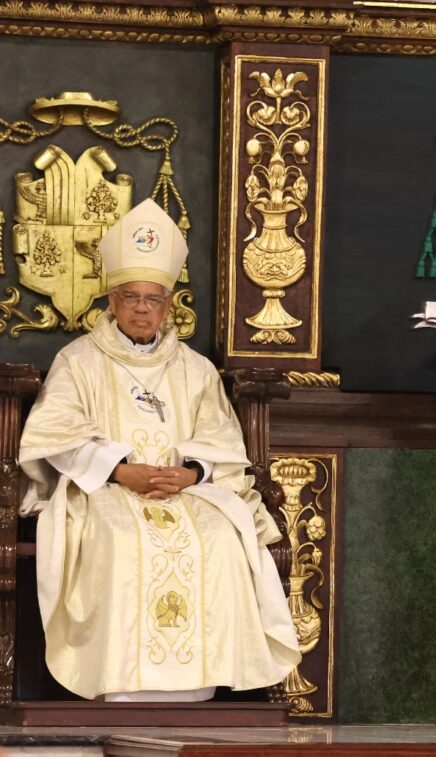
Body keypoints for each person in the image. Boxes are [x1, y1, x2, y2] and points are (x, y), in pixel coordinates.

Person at [18, 198, 301, 702]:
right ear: (112, 300)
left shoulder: (194, 368)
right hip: (105, 489)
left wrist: (192, 474)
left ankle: (197, 684)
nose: (143, 308)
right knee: (117, 538)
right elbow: (53, 431)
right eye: (131, 297)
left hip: (185, 493)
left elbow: (223, 441)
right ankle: (119, 680)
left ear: (169, 305)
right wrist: (118, 470)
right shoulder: (78, 360)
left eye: (153, 298)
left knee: (217, 537)